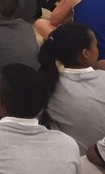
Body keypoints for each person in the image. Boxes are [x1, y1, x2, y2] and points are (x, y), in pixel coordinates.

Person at [37, 22, 105, 153]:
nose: (98, 49)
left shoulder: (49, 84)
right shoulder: (102, 78)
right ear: (85, 53)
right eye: (95, 45)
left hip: (69, 160)